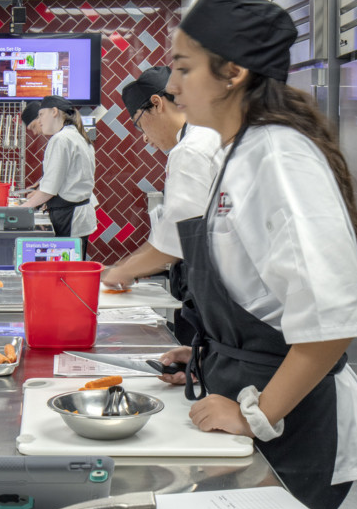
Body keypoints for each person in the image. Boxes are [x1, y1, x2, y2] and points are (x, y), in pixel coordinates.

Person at [157, 0, 357, 509]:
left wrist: (255, 410)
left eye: (183, 67)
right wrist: (207, 345)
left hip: (294, 420)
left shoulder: (279, 158)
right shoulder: (239, 152)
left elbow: (329, 322)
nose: (171, 82)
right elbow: (264, 294)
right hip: (256, 399)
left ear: (233, 72)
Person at [100, 67, 220, 344]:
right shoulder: (207, 135)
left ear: (157, 103)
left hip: (216, 288)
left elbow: (177, 238)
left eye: (138, 123)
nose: (143, 136)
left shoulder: (190, 149)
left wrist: (123, 271)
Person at [19, 95, 96, 239]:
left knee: (67, 262)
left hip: (69, 217)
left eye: (41, 115)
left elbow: (49, 190)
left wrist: (21, 210)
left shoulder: (61, 139)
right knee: (76, 261)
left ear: (54, 112)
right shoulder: (77, 136)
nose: (40, 121)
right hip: (77, 216)